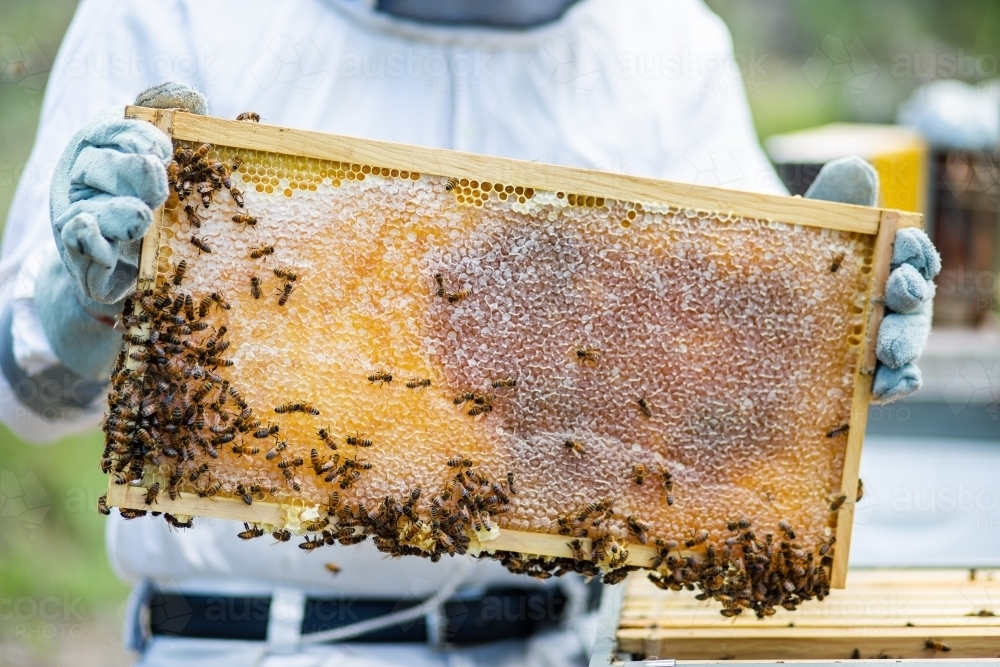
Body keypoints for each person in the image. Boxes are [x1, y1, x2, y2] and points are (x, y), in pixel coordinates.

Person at [0, 1, 940, 665]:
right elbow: (26, 392)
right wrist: (80, 310)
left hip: (568, 644)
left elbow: (720, 431)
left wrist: (822, 339)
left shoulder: (670, 41)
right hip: (261, 646)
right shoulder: (182, 10)